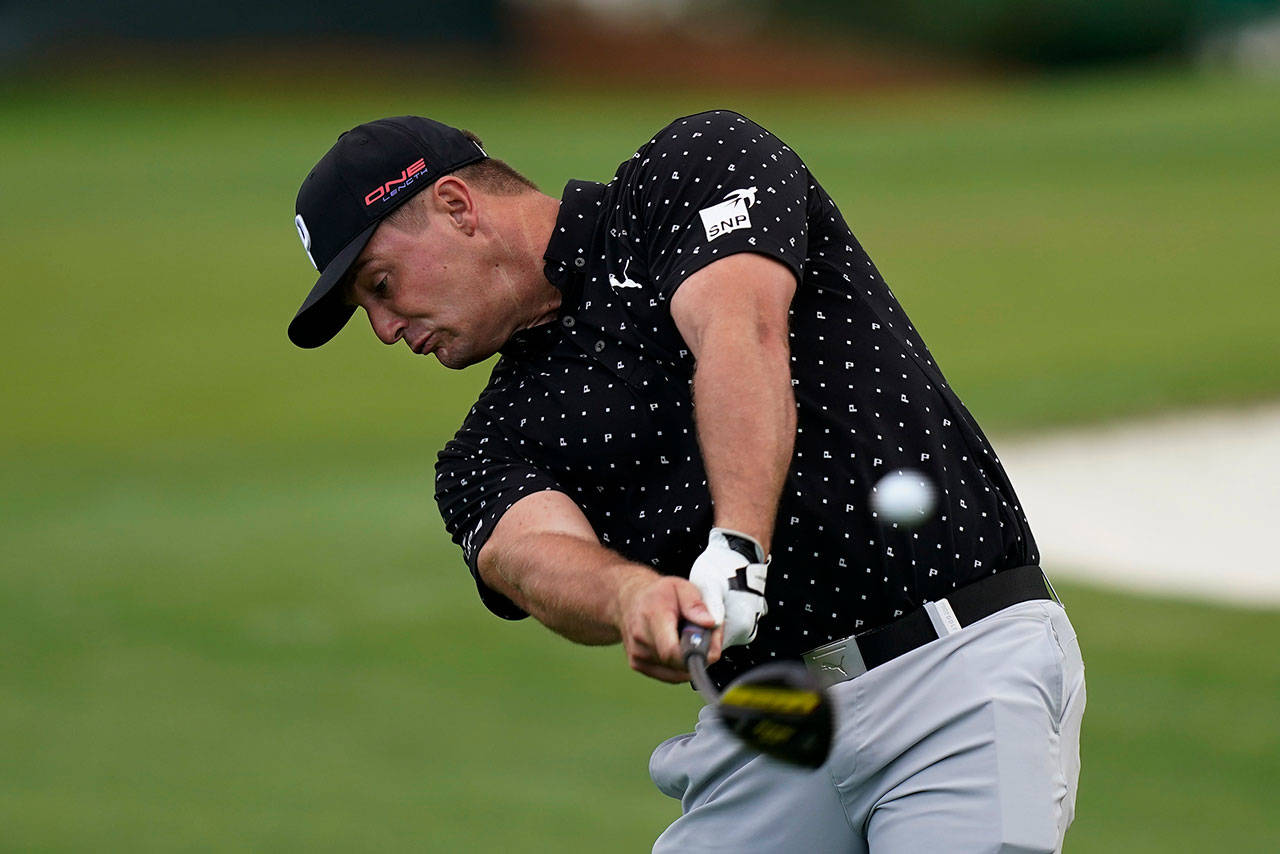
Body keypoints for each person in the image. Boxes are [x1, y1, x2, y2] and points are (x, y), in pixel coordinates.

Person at [287, 112, 1086, 852]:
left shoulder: (691, 171)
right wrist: (630, 595)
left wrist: (738, 549)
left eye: (382, 285)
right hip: (767, 732)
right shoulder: (486, 447)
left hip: (955, 672)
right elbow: (528, 553)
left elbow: (740, 334)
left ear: (458, 205)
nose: (386, 329)